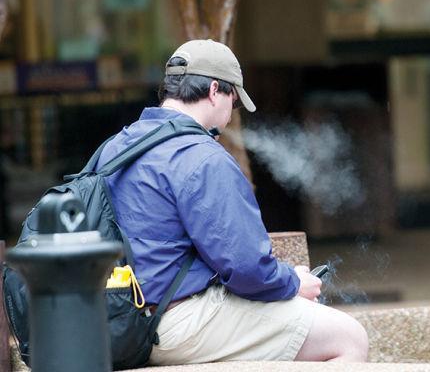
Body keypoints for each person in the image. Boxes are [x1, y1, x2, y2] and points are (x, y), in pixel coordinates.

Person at [97, 39, 368, 365]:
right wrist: (293, 282)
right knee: (348, 338)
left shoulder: (116, 147)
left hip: (115, 319)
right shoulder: (202, 157)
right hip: (172, 323)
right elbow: (247, 269)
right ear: (214, 90)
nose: (229, 118)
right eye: (234, 103)